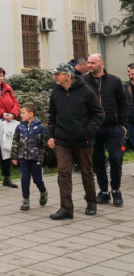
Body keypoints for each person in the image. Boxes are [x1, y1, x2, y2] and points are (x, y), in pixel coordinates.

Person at [47, 63, 105, 220]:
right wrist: (51, 135)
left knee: (86, 172)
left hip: (83, 141)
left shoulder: (86, 91)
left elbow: (99, 114)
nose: (55, 77)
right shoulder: (56, 92)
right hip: (63, 141)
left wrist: (87, 132)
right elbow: (52, 116)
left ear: (68, 75)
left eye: (57, 74)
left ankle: (91, 203)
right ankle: (66, 209)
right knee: (63, 173)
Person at [82, 53, 132, 206]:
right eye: (88, 63)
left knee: (116, 158)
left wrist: (123, 124)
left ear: (101, 64)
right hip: (94, 128)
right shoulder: (83, 81)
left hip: (114, 127)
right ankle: (104, 191)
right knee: (97, 161)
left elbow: (123, 104)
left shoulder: (114, 81)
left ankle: (116, 190)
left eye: (92, 63)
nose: (89, 65)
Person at [11, 102, 49, 211]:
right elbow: (15, 141)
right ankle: (25, 200)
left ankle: (43, 191)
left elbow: (44, 144)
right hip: (23, 157)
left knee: (37, 179)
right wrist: (14, 156)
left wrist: (41, 156)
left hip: (35, 158)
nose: (21, 115)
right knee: (25, 178)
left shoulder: (40, 127)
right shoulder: (20, 126)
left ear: (31, 114)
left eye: (23, 113)